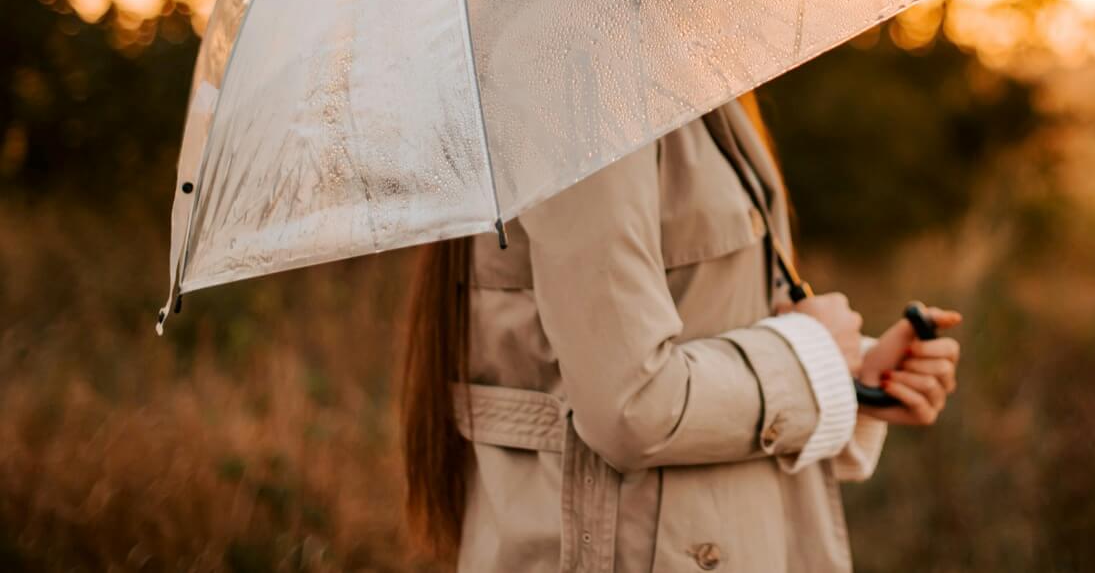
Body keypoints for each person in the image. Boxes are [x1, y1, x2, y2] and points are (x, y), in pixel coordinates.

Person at [401, 91, 962, 571]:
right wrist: (807, 363)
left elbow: (701, 319)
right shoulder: (578, 82)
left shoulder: (683, 71)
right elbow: (630, 404)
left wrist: (847, 379)